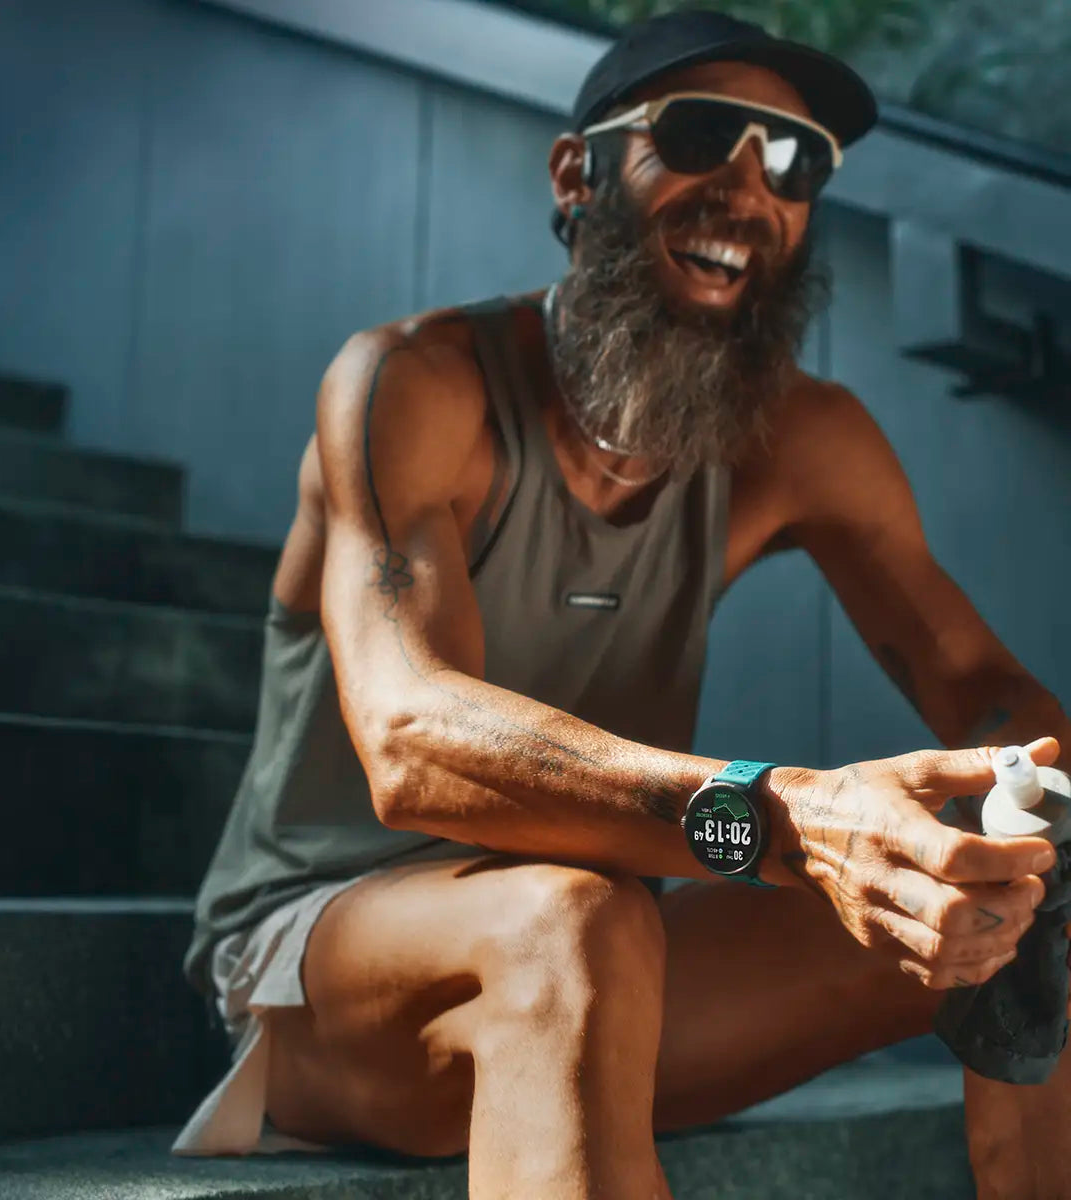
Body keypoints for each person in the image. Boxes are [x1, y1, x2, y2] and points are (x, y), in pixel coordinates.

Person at [174, 10, 1071, 1197]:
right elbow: (409, 739)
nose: (746, 190)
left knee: (1023, 891)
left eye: (793, 162)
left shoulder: (801, 439)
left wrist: (1033, 803)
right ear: (576, 174)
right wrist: (784, 815)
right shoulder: (415, 385)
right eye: (698, 136)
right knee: (573, 919)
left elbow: (982, 687)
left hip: (611, 967)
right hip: (326, 960)